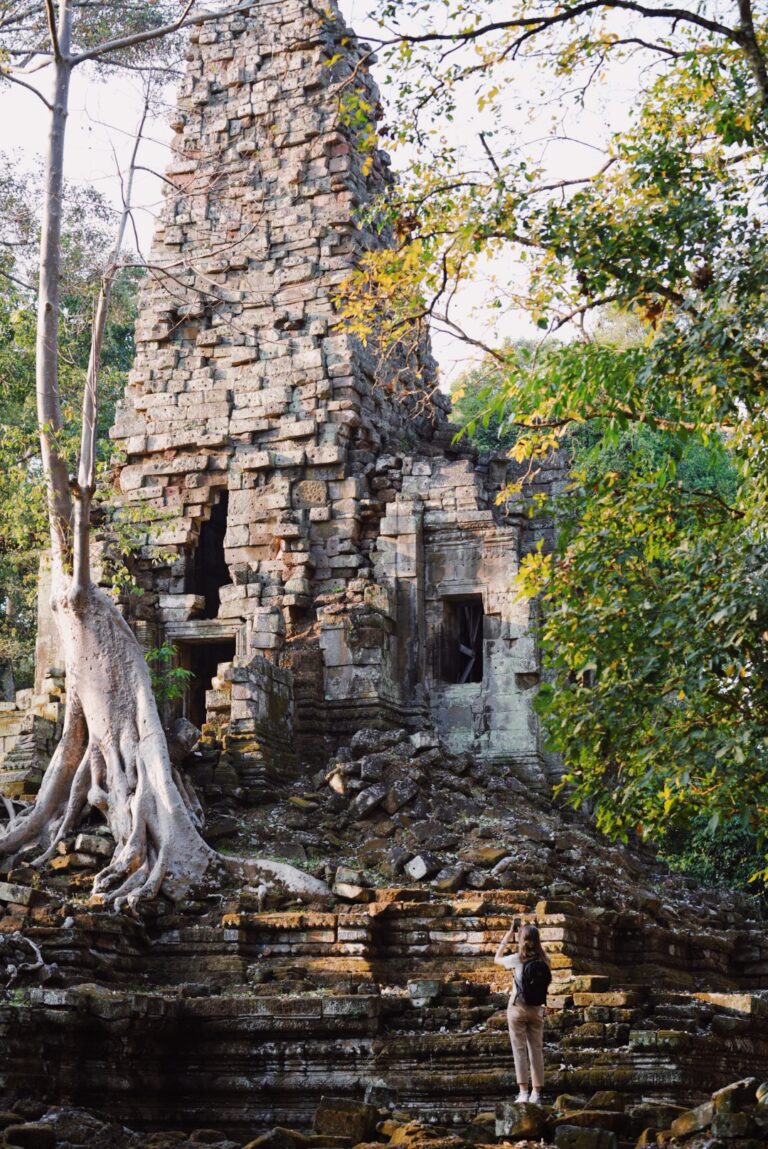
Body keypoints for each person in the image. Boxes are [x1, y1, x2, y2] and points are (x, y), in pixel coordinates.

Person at [494, 918, 551, 1104]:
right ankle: (536, 1093)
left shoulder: (516, 959)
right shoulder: (545, 960)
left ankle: (523, 1092)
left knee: (519, 1049)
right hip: (536, 1009)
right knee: (536, 1050)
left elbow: (496, 958)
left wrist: (509, 934)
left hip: (517, 1007)